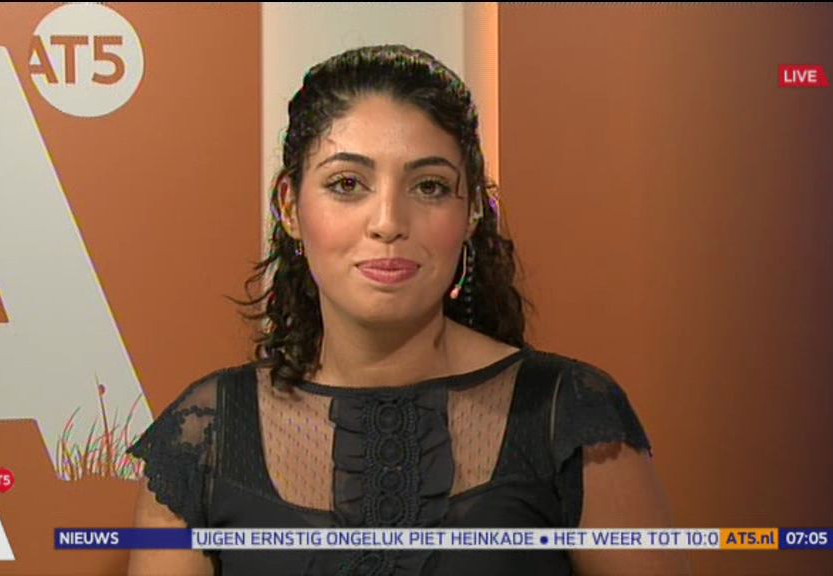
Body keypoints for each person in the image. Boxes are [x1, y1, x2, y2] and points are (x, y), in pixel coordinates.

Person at [127, 44, 690, 576]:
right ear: (290, 207)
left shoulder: (569, 414)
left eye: (429, 187)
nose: (389, 222)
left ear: (472, 211)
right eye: (348, 183)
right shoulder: (205, 436)